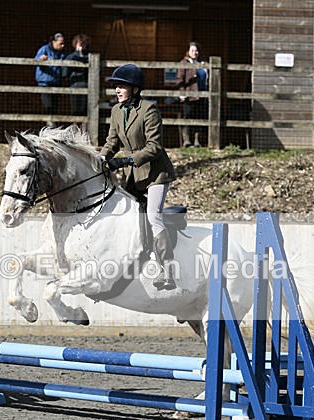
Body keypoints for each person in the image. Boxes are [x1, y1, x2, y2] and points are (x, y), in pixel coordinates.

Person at [101, 64, 178, 291]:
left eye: (122, 86)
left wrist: (124, 161)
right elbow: (112, 142)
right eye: (116, 86)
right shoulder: (116, 111)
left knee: (153, 216)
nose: (117, 90)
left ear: (135, 89)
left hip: (156, 173)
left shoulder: (149, 110)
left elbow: (154, 147)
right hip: (134, 176)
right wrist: (100, 159)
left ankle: (168, 270)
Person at [176, 41, 208, 147]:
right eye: (193, 50)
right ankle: (187, 141)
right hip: (189, 96)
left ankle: (197, 141)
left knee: (199, 118)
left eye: (197, 50)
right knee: (187, 117)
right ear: (188, 51)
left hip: (202, 95)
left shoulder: (203, 64)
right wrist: (182, 93)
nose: (195, 52)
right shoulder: (184, 63)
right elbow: (180, 79)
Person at [35, 33, 66, 127]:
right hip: (45, 83)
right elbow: (36, 60)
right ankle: (49, 125)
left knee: (55, 106)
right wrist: (40, 59)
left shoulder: (62, 54)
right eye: (60, 43)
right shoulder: (44, 49)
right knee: (48, 105)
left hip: (56, 83)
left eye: (63, 43)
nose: (62, 45)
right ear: (54, 42)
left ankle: (53, 127)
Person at [63, 34, 90, 120]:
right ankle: (75, 130)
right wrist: (78, 53)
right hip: (74, 85)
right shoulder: (71, 57)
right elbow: (65, 70)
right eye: (80, 44)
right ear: (75, 44)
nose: (82, 46)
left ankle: (84, 131)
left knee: (85, 110)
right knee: (75, 109)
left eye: (83, 44)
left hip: (86, 85)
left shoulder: (89, 57)